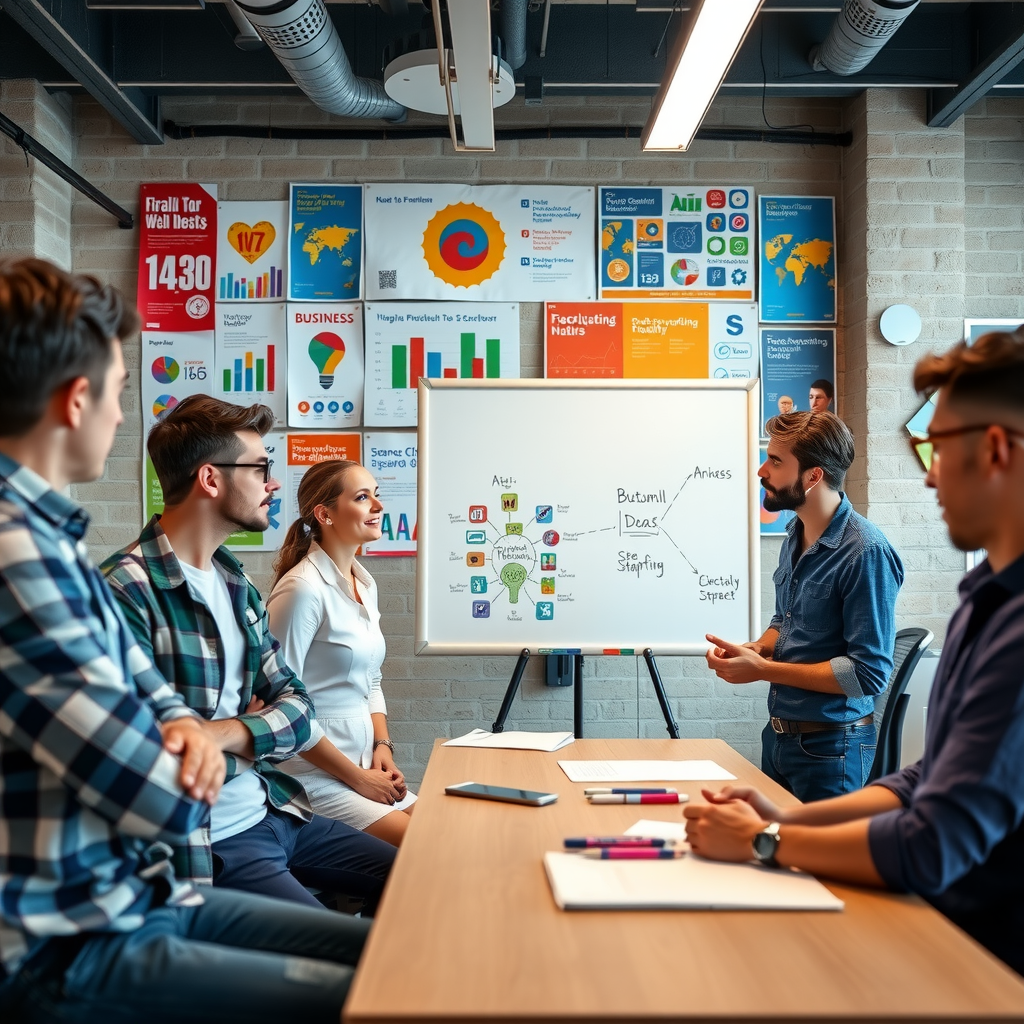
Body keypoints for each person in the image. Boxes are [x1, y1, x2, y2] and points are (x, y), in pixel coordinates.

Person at [0, 257, 372, 1022]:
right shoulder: (20, 557)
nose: (117, 415)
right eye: (117, 391)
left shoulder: (56, 540)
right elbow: (157, 798)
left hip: (144, 894)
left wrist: (206, 730)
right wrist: (192, 738)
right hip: (70, 936)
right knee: (382, 998)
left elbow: (164, 701)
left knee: (390, 953)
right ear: (76, 401)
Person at [684, 327, 1024, 977]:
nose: (928, 476)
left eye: (938, 447)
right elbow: (925, 782)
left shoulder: (885, 560)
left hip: (981, 972)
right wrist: (783, 817)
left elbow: (933, 842)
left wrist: (766, 840)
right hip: (795, 748)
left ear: (997, 449)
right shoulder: (986, 600)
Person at [101, 395, 396, 911]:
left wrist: (222, 731)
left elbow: (299, 708)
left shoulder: (232, 580)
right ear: (211, 480)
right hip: (217, 840)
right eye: (261, 469)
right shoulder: (125, 588)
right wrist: (252, 728)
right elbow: (146, 747)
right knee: (349, 956)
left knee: (428, 875)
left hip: (277, 808)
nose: (274, 483)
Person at [705, 411, 904, 801]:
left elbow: (866, 675)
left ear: (813, 477)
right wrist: (758, 647)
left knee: (822, 863)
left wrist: (763, 669)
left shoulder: (865, 551)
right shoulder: (795, 533)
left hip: (833, 750)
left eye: (776, 461)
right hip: (780, 737)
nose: (762, 470)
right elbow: (787, 619)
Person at [266, 460, 416, 848]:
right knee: (428, 848)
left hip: (364, 767)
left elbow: (371, 680)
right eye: (362, 497)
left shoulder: (365, 584)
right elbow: (279, 706)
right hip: (310, 778)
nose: (378, 506)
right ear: (324, 514)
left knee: (452, 829)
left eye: (376, 495)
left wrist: (382, 747)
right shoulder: (302, 589)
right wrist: (357, 777)